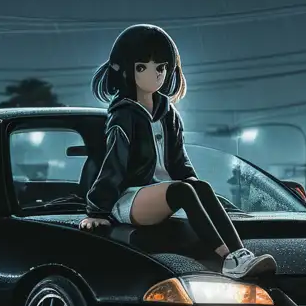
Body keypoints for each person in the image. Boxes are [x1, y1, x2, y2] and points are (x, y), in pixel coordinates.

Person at [79, 24, 276, 280]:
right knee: (183, 190)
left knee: (199, 186)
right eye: (142, 67)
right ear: (126, 69)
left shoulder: (168, 113)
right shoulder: (123, 115)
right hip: (130, 198)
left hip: (164, 193)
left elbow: (180, 162)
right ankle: (225, 259)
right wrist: (97, 210)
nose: (155, 75)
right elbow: (114, 162)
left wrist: (199, 192)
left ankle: (240, 254)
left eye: (160, 68)